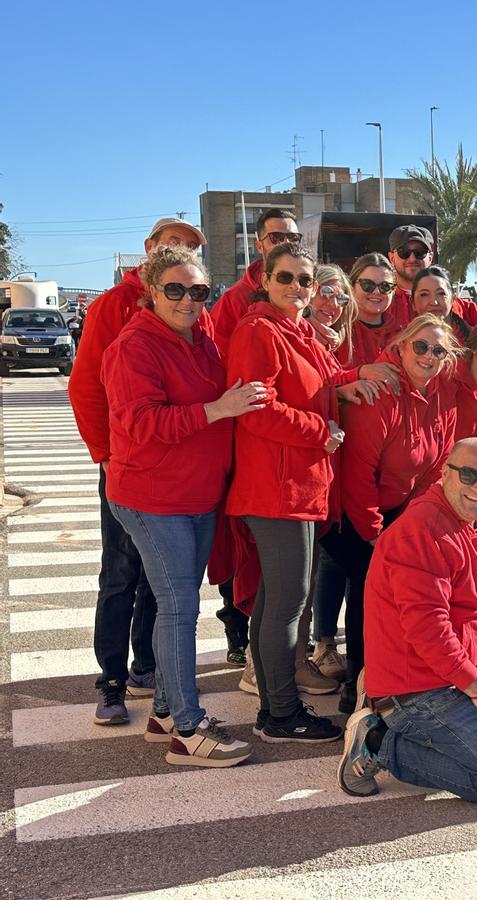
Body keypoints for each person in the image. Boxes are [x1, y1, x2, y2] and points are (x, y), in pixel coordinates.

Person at [337, 439, 477, 803]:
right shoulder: (419, 530)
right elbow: (429, 631)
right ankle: (380, 740)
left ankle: (471, 727)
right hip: (415, 686)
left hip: (461, 666)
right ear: (446, 474)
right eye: (469, 475)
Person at [101, 246, 261, 765]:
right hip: (153, 498)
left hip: (196, 496)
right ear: (151, 290)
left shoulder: (201, 338)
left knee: (179, 604)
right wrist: (218, 409)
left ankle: (166, 712)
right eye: (175, 289)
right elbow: (142, 424)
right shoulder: (134, 347)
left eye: (198, 291)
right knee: (178, 608)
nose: (188, 300)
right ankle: (188, 732)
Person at [225, 243, 377, 744]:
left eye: (304, 280)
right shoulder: (257, 331)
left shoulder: (298, 332)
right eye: (286, 277)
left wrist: (357, 378)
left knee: (277, 601)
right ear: (266, 280)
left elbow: (326, 381)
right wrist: (320, 430)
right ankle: (282, 714)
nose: (296, 287)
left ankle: (275, 708)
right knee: (288, 602)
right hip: (277, 488)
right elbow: (255, 408)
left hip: (298, 486)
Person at [68, 216, 207, 725]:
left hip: (174, 474)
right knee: (121, 573)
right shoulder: (113, 307)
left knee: (160, 581)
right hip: (128, 464)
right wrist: (104, 452)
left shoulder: (196, 308)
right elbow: (85, 386)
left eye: (190, 245)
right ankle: (111, 679)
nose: (179, 249)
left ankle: (148, 667)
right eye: (171, 242)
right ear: (150, 250)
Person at [330, 314, 458, 712]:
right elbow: (357, 471)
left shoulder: (440, 396)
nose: (429, 356)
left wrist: (414, 520)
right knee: (368, 584)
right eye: (420, 346)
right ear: (401, 346)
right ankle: (360, 681)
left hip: (395, 507)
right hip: (348, 510)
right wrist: (374, 533)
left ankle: (401, 675)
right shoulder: (381, 392)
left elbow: (436, 466)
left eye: (438, 350)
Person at [211, 207, 299, 355]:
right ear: (259, 246)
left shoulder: (306, 289)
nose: (286, 243)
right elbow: (217, 352)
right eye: (276, 237)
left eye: (293, 238)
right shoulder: (234, 299)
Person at [337, 253, 403, 368]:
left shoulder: (402, 336)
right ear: (352, 287)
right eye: (368, 285)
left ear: (393, 291)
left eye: (385, 286)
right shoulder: (336, 330)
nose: (376, 292)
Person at [308, 264, 357, 356]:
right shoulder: (292, 335)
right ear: (309, 291)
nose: (334, 304)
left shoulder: (339, 345)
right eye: (326, 292)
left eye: (342, 299)